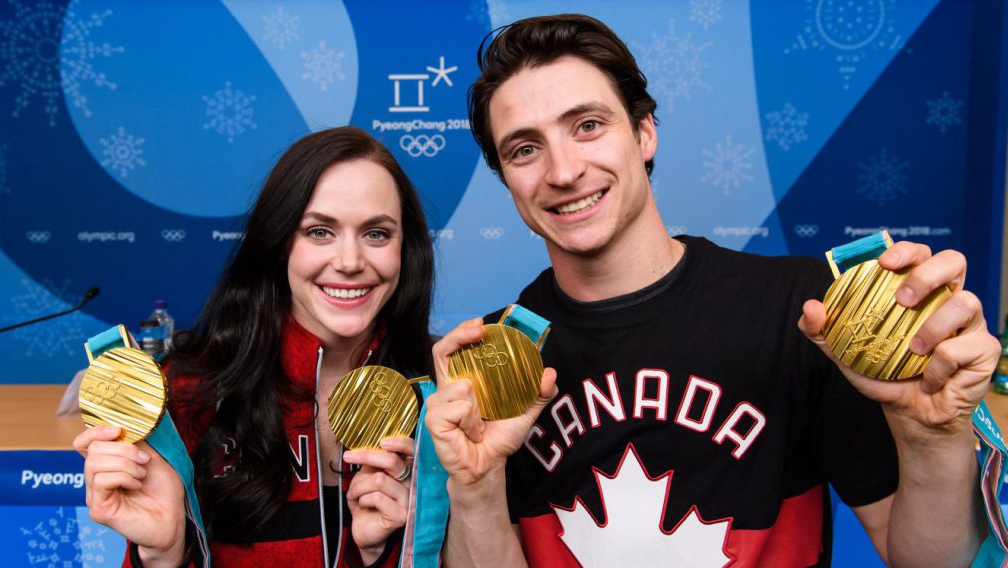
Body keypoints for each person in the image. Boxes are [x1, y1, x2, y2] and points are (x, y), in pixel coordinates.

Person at [423, 14, 1000, 567]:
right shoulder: (494, 367)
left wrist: (932, 438)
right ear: (507, 180)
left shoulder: (811, 314)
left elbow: (932, 560)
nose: (563, 170)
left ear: (644, 132)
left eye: (588, 126)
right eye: (525, 149)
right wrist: (474, 487)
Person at [73, 126, 435, 567]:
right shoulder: (190, 391)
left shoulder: (438, 398)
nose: (349, 261)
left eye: (376, 233)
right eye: (320, 231)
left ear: (406, 248)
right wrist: (162, 554)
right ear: (281, 243)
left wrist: (382, 555)